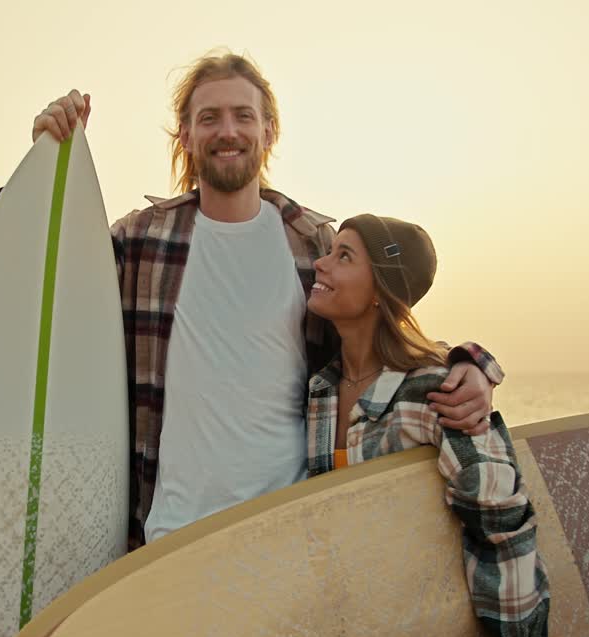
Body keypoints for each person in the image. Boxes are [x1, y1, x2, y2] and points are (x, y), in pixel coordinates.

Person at [25, 52, 502, 549]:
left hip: (291, 533)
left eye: (243, 115)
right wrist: (46, 162)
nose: (227, 130)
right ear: (185, 135)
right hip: (169, 542)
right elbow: (49, 278)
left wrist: (470, 365)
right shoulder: (144, 240)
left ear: (269, 131)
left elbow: (383, 337)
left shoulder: (313, 241)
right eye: (208, 118)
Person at [305, 213, 551, 637]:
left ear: (381, 290)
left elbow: (502, 531)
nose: (318, 262)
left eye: (343, 255)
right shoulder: (320, 390)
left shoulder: (434, 391)